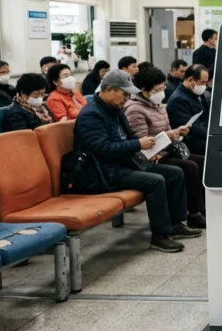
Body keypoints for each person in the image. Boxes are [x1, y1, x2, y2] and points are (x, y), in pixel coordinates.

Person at [74, 70, 201, 253]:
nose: (127, 98)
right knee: (154, 181)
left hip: (123, 162)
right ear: (110, 90)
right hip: (102, 170)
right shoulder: (91, 115)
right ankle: (160, 235)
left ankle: (176, 223)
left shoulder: (114, 109)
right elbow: (102, 150)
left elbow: (129, 137)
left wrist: (152, 143)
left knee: (175, 173)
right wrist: (137, 144)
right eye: (124, 93)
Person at [125, 66, 207, 229]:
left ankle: (200, 209)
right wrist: (167, 139)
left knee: (201, 161)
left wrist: (177, 132)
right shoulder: (135, 109)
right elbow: (143, 142)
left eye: (163, 88)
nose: (162, 92)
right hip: (152, 156)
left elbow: (166, 130)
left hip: (166, 150)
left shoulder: (158, 106)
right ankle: (192, 214)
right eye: (158, 89)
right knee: (188, 166)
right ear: (144, 90)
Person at [167, 64, 210, 155]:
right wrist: (212, 134)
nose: (204, 86)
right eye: (202, 83)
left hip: (202, 135)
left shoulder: (196, 93)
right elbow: (192, 127)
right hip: (191, 140)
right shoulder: (178, 99)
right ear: (190, 80)